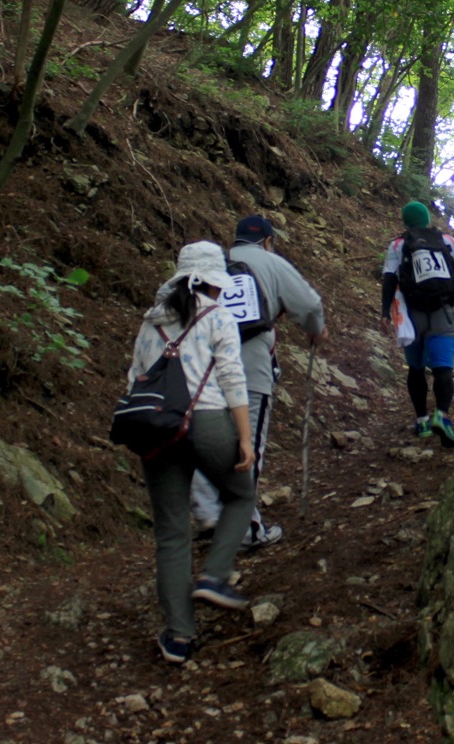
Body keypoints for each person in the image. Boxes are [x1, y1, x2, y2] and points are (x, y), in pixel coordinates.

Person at [128, 241, 255, 666]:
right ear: (212, 280)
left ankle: (179, 636)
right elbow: (232, 379)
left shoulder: (150, 321)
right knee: (241, 495)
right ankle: (215, 577)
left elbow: (135, 379)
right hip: (209, 421)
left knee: (171, 532)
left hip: (157, 428)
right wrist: (245, 438)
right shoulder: (218, 316)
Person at [191, 215, 326, 551]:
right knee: (246, 442)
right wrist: (315, 328)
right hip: (249, 366)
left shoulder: (214, 263)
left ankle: (208, 513)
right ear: (267, 241)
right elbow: (309, 304)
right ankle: (245, 530)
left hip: (203, 367)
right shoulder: (271, 262)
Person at [379, 201, 454, 447]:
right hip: (442, 312)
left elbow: (389, 279)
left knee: (415, 368)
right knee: (443, 368)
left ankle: (422, 420)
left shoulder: (398, 245)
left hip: (411, 316)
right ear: (427, 220)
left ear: (406, 222)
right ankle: (442, 416)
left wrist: (385, 313)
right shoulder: (447, 241)